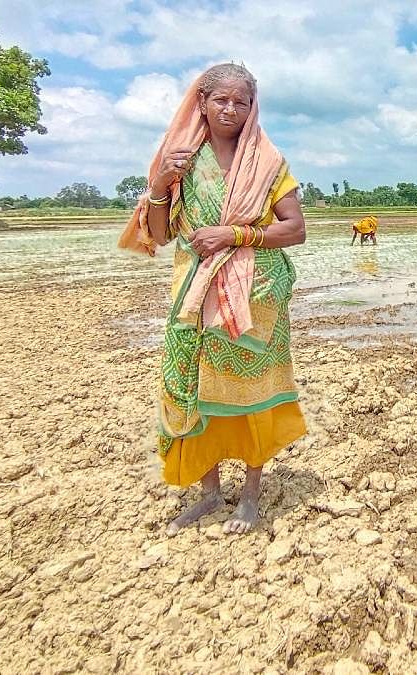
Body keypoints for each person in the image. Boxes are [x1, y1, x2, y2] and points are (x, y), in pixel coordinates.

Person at [117, 63, 307, 536]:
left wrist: (234, 233)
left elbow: (295, 228)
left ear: (252, 107)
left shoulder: (267, 160)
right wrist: (159, 185)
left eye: (240, 101)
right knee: (193, 387)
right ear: (201, 102)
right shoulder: (179, 158)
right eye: (220, 99)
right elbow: (159, 236)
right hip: (192, 292)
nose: (230, 109)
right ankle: (208, 493)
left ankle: (249, 495)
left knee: (251, 392)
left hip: (256, 292)